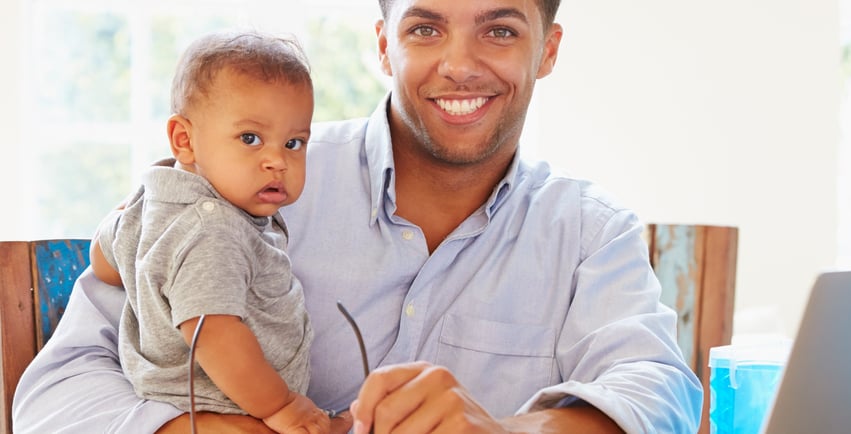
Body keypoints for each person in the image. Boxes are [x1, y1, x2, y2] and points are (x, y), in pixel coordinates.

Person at [13, 0, 703, 433]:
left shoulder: (591, 230)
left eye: (498, 29)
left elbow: (661, 391)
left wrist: (511, 431)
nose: (459, 66)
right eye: (426, 27)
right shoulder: (245, 182)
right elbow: (55, 392)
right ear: (383, 45)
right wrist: (188, 430)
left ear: (546, 50)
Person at [85, 31, 329, 434]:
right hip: (229, 409)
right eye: (250, 138)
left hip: (186, 402)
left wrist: (119, 220)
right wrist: (282, 406)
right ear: (185, 140)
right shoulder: (213, 230)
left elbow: (104, 265)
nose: (277, 161)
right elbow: (213, 333)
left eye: (293, 142)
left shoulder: (152, 201)